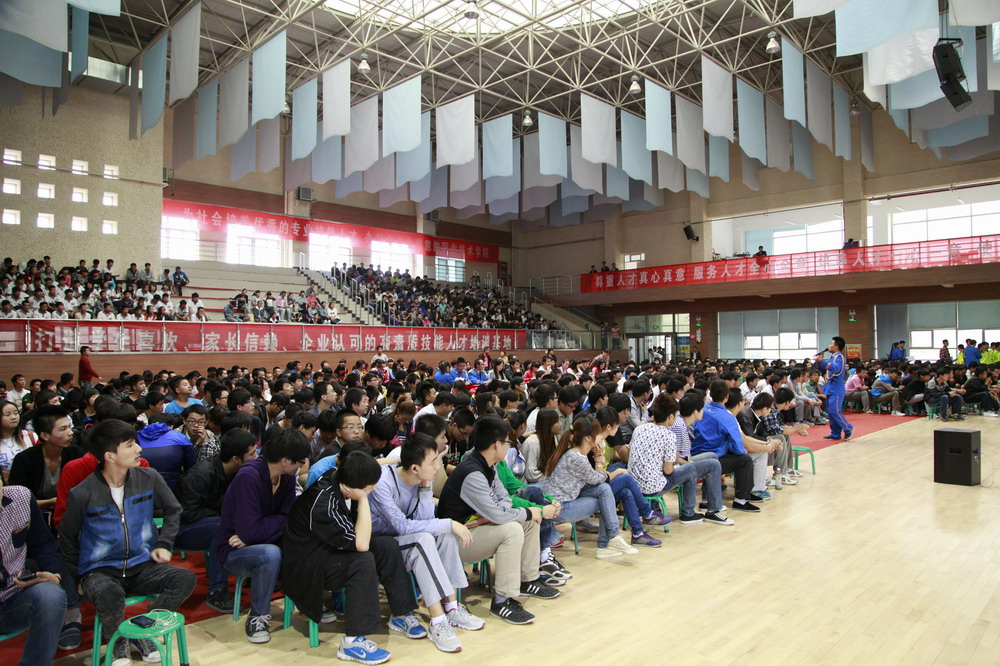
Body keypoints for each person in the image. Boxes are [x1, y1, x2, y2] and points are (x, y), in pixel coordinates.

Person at [60, 419, 196, 666]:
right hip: (100, 570)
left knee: (184, 579)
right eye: (130, 444)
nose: (139, 449)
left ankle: (143, 630)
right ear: (110, 456)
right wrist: (77, 578)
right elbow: (67, 537)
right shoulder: (82, 493)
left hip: (142, 564)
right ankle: (118, 642)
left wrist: (163, 543)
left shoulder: (149, 477)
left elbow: (173, 509)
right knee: (108, 593)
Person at [283, 450, 408, 665]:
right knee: (362, 561)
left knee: (387, 545)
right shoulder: (324, 502)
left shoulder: (343, 477)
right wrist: (364, 499)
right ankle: (352, 642)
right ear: (356, 487)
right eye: (370, 487)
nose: (374, 489)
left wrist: (363, 493)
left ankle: (402, 614)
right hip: (307, 565)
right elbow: (361, 545)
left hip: (328, 549)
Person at [369, 434, 486, 653]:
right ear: (414, 468)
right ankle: (437, 621)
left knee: (444, 536)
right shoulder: (383, 482)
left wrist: (425, 490)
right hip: (381, 545)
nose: (437, 467)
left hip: (405, 540)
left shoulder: (422, 479)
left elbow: (425, 520)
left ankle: (451, 607)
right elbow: (402, 527)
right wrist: (448, 523)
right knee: (424, 539)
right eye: (432, 462)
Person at [437, 416, 558, 626]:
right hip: (454, 540)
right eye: (507, 443)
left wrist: (490, 517)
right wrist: (528, 512)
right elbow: (500, 514)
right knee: (513, 528)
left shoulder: (488, 466)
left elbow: (504, 500)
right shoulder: (472, 472)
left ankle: (527, 580)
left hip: (473, 530)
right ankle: (502, 600)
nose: (508, 447)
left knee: (528, 522)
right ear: (497, 444)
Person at [216, 426, 308, 643]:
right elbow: (251, 530)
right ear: (285, 460)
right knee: (270, 554)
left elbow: (289, 518)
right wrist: (259, 531)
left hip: (259, 542)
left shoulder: (286, 477)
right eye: (300, 461)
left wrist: (256, 534)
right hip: (233, 550)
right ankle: (257, 616)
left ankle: (308, 601)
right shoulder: (248, 476)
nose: (302, 466)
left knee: (302, 540)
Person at [174, 429, 258, 615]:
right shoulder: (201, 474)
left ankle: (254, 574)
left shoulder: (240, 473)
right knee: (222, 527)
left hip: (214, 521)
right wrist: (226, 515)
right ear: (236, 459)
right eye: (252, 454)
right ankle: (216, 591)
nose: (256, 457)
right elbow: (187, 514)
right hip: (183, 529)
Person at [543, 414, 641, 558]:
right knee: (605, 494)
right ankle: (610, 539)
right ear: (588, 438)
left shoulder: (575, 453)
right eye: (598, 434)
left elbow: (597, 480)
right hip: (561, 508)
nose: (600, 437)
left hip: (565, 500)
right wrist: (613, 470)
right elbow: (598, 478)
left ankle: (608, 542)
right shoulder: (577, 458)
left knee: (605, 491)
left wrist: (599, 462)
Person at [627, 394, 730, 525]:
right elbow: (668, 470)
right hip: (653, 486)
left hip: (634, 483)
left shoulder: (639, 429)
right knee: (698, 468)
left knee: (704, 462)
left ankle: (695, 510)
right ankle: (694, 512)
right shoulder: (668, 435)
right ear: (670, 416)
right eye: (676, 415)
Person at [0, 475, 68, 666]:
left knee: (50, 595)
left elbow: (43, 544)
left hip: (13, 596)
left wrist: (54, 575)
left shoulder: (21, 498)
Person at [690, 380, 761, 512]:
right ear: (727, 397)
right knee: (744, 460)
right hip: (714, 458)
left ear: (710, 394)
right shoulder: (727, 417)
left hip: (695, 455)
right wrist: (739, 452)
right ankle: (741, 499)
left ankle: (706, 500)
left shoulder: (702, 410)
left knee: (719, 456)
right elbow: (738, 447)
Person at [8, 405, 85, 511]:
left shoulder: (76, 454)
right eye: (63, 429)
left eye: (69, 427)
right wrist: (50, 502)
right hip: (33, 514)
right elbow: (18, 501)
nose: (70, 433)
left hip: (68, 512)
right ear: (45, 436)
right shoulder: (24, 460)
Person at [135, 414, 197, 490]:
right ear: (171, 426)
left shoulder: (135, 436)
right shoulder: (180, 437)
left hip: (140, 485)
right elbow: (191, 467)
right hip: (172, 486)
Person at [816, 337, 853, 440]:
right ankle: (835, 433)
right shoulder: (833, 357)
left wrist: (823, 362)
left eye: (831, 344)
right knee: (831, 412)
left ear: (836, 346)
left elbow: (836, 369)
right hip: (830, 388)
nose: (829, 346)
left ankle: (848, 429)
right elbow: (826, 369)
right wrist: (819, 362)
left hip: (836, 388)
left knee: (834, 410)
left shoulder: (839, 357)